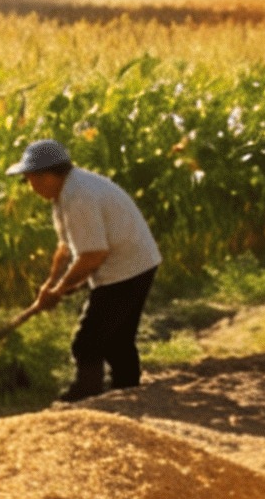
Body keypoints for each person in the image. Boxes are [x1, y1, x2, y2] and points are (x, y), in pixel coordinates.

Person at [13, 139, 161, 402]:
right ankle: (126, 390)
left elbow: (93, 255)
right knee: (118, 338)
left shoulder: (78, 196)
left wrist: (60, 290)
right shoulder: (64, 192)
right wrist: (50, 285)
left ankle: (86, 393)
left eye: (30, 179)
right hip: (135, 259)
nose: (30, 186)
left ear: (47, 175)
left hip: (127, 266)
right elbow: (65, 247)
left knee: (88, 342)